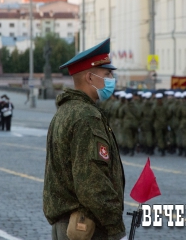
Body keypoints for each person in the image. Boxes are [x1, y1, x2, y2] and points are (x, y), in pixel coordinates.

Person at [43, 38, 126, 240]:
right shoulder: (87, 117)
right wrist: (116, 228)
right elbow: (93, 182)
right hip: (88, 228)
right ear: (90, 77)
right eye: (107, 74)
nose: (112, 79)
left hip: (68, 225)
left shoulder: (65, 111)